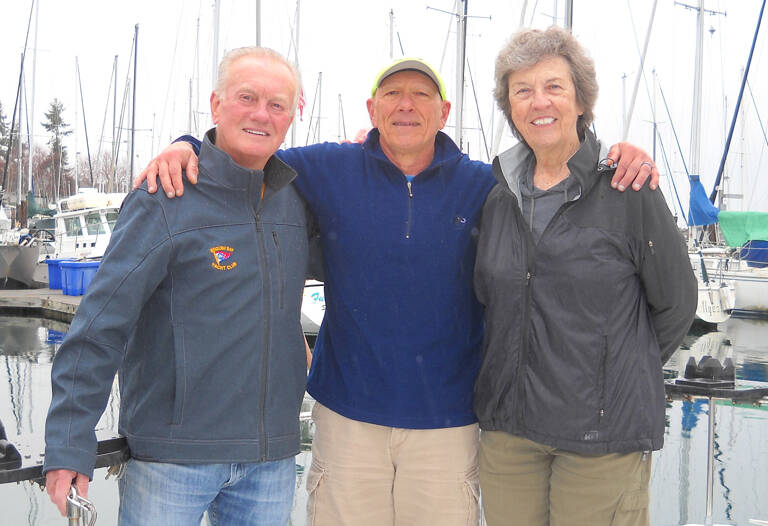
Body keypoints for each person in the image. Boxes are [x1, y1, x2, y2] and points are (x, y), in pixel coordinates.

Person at [136, 57, 659, 525]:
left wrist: (618, 152)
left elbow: (555, 177)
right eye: (392, 94)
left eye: (421, 95)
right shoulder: (325, 168)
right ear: (372, 109)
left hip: (448, 424)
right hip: (346, 419)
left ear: (444, 112)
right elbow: (248, 148)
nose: (406, 105)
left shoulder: (485, 186)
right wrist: (186, 145)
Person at [43, 47, 312, 526]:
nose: (261, 114)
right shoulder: (165, 196)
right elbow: (100, 325)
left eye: (277, 104)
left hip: (271, 461)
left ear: (293, 115)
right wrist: (68, 443)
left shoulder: (297, 202)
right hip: (171, 462)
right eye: (247, 97)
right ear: (215, 105)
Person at [472, 26, 697, 526]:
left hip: (600, 440)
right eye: (522, 90)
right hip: (509, 434)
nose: (539, 102)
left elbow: (677, 304)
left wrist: (610, 376)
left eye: (554, 86)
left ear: (580, 100)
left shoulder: (627, 187)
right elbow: (488, 301)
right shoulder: (497, 195)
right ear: (510, 107)